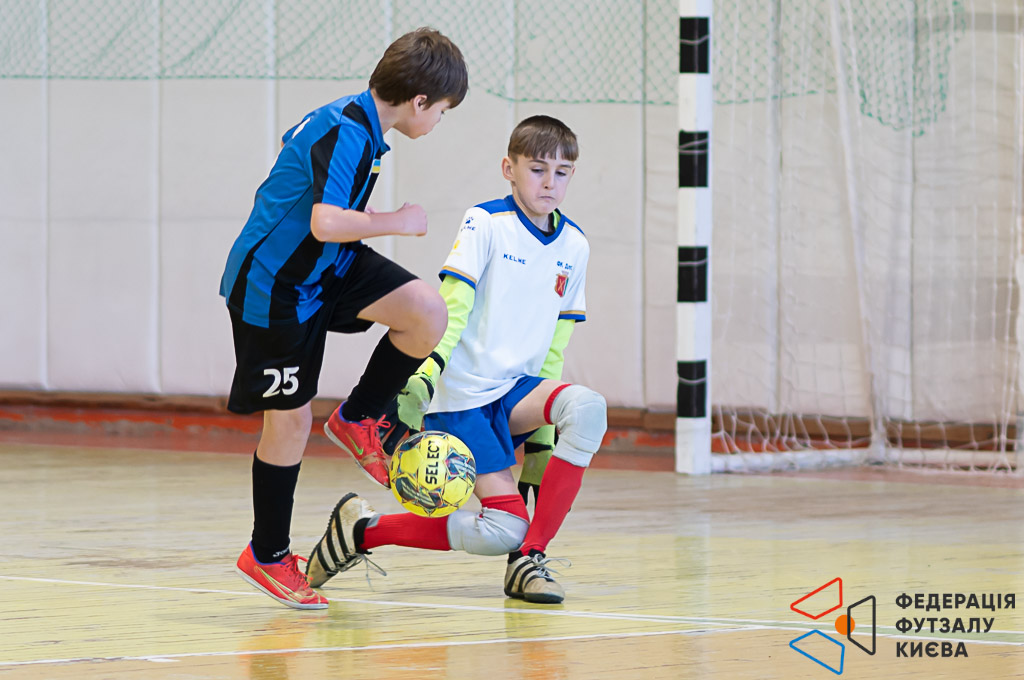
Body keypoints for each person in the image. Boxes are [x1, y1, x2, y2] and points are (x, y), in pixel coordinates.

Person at [305, 115, 607, 604]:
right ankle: (361, 531)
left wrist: (544, 435)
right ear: (509, 169)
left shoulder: (575, 244)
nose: (550, 183)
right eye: (537, 169)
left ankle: (530, 558)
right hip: (463, 395)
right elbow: (454, 307)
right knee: (502, 529)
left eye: (562, 172)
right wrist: (427, 374)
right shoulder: (485, 222)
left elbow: (557, 341)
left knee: (589, 408)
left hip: (518, 392)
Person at [220, 27, 468, 610]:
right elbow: (325, 222)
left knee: (425, 310)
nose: (439, 121)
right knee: (289, 424)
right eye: (443, 111)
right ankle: (267, 553)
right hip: (274, 288)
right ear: (420, 102)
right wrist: (397, 221)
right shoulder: (348, 129)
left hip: (325, 267)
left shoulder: (358, 122)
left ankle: (359, 418)